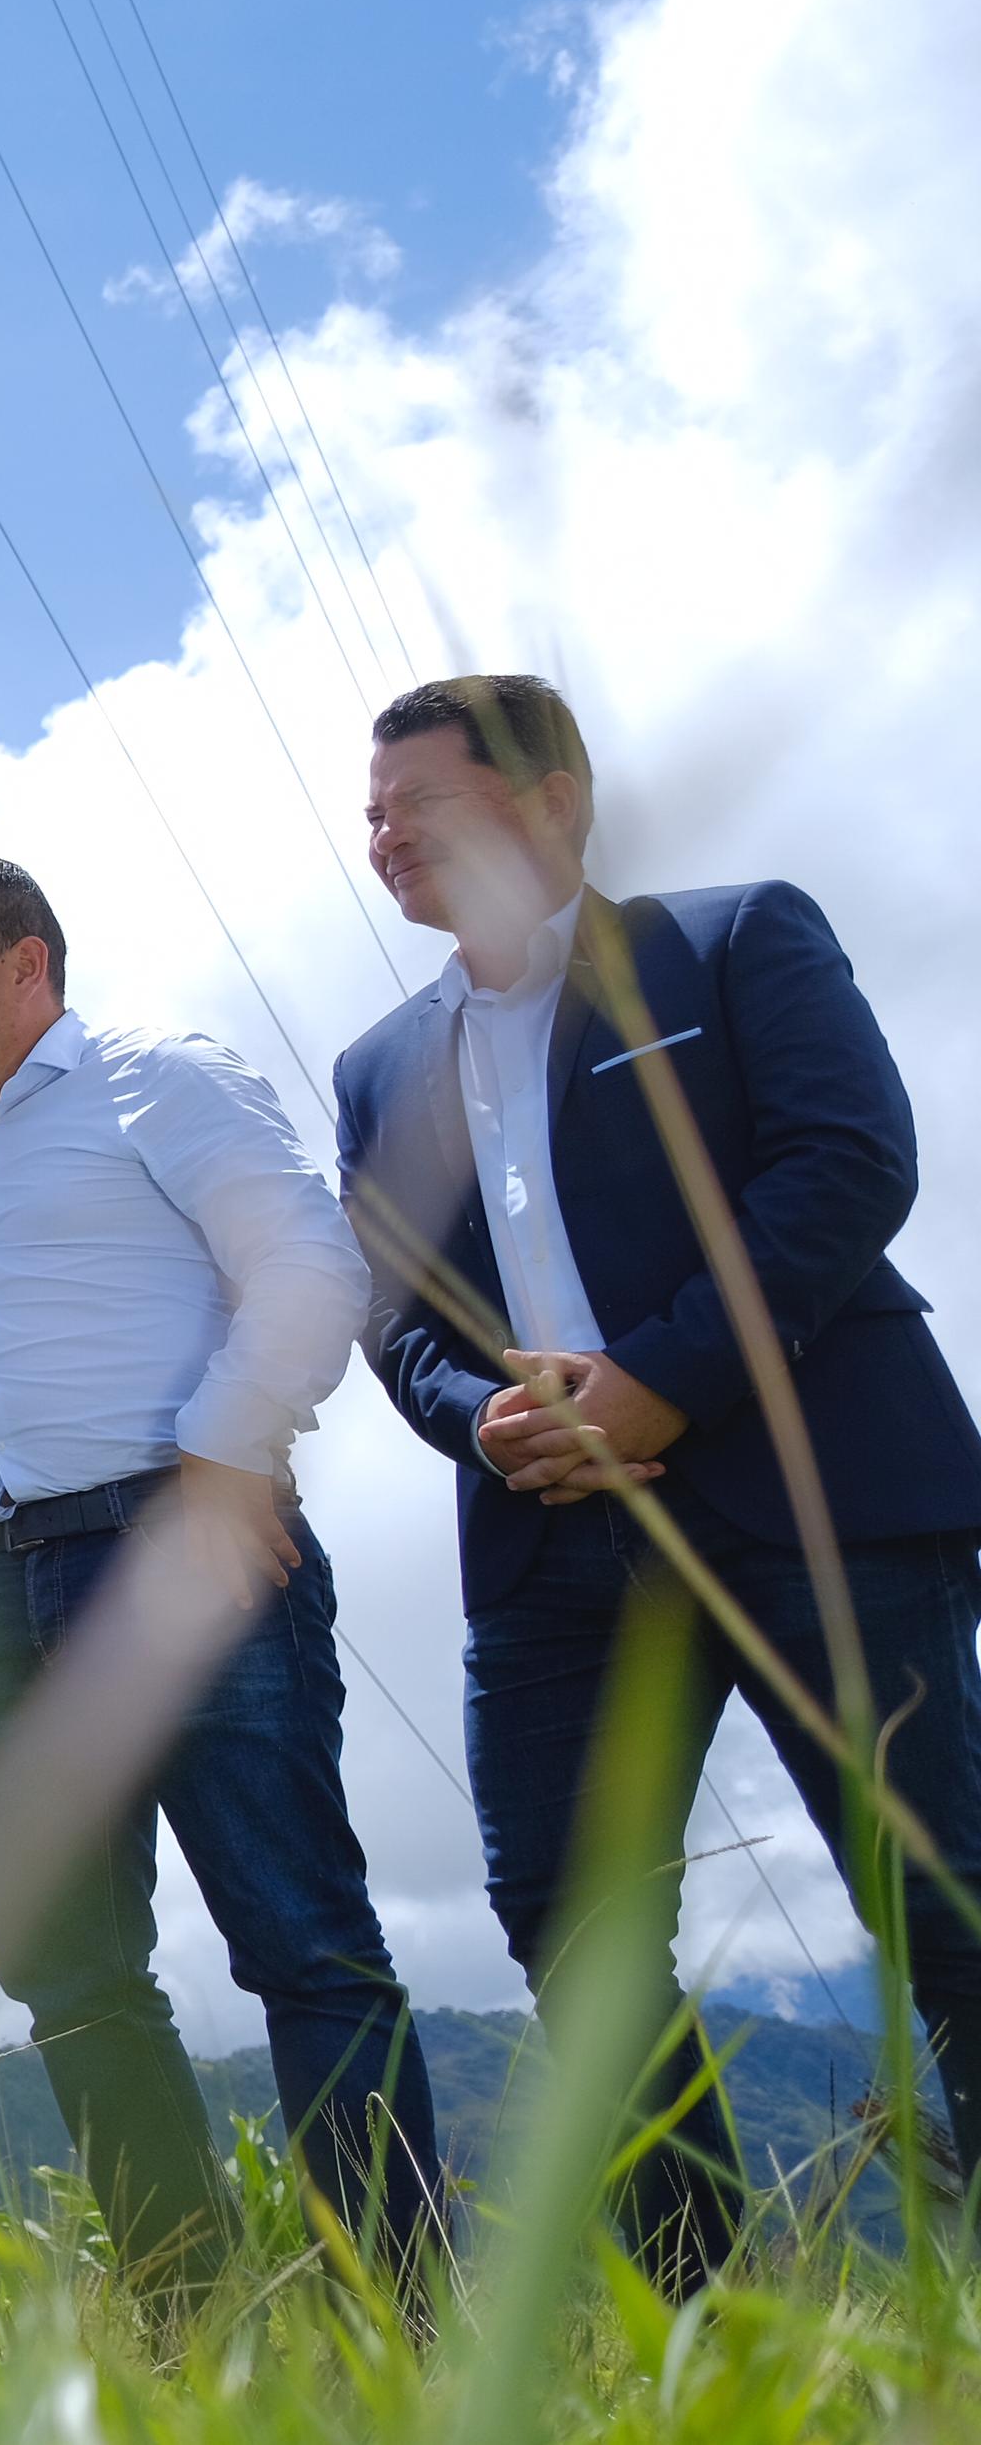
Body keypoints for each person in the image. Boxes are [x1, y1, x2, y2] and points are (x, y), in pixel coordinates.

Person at [337, 674, 981, 2291]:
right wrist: (483, 1416)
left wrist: (659, 1378)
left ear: (554, 799)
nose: (386, 835)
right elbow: (393, 1319)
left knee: (938, 1892)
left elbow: (850, 1161)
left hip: (818, 1493)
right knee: (570, 1926)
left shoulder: (735, 937)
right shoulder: (377, 1067)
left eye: (423, 802)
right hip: (549, 1537)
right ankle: (701, 2325)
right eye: (373, 813)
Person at [0, 854, 444, 2288]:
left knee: (298, 1934)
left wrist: (221, 1452)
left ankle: (399, 2320)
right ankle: (189, 2316)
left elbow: (312, 1266)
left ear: (26, 964)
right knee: (65, 1969)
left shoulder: (158, 1078)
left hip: (178, 1541)